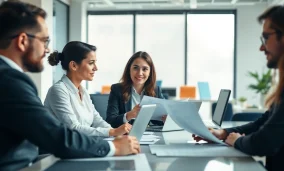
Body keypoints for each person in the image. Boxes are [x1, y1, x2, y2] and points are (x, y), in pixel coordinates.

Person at [0, 1, 140, 170]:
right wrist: (114, 146)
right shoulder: (9, 80)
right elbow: (59, 137)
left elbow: (95, 120)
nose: (47, 49)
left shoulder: (9, 77)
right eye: (44, 41)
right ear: (22, 41)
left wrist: (117, 134)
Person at [193, 3, 284, 171]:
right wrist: (224, 133)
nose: (261, 47)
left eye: (266, 37)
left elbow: (265, 142)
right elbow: (264, 122)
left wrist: (236, 140)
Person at [44, 41, 132, 138]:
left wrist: (116, 133)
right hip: (58, 150)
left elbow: (96, 119)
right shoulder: (58, 91)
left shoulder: (83, 91)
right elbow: (73, 128)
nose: (96, 68)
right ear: (73, 65)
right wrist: (112, 132)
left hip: (80, 145)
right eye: (91, 63)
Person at [106, 51, 166, 128]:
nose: (140, 73)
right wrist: (130, 115)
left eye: (145, 69)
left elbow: (159, 121)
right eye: (135, 68)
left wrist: (166, 120)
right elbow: (110, 121)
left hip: (149, 136)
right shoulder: (117, 89)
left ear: (150, 72)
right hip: (125, 136)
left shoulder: (156, 90)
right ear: (129, 70)